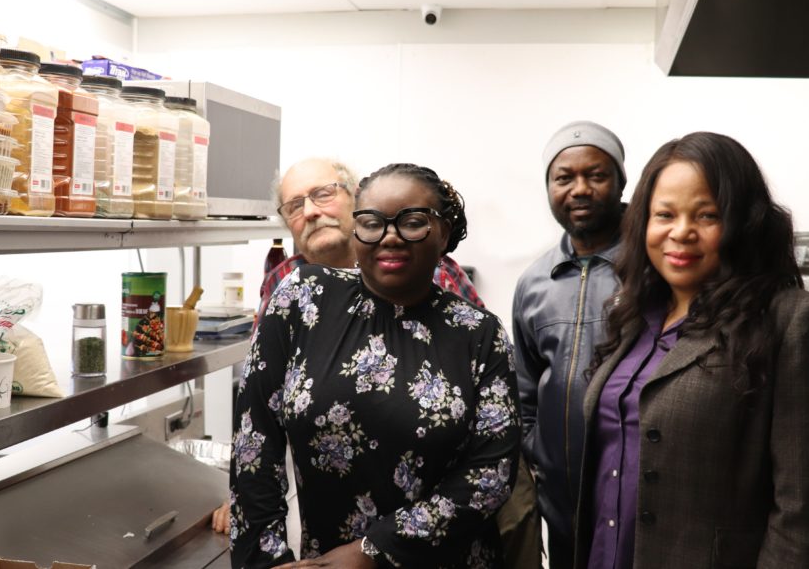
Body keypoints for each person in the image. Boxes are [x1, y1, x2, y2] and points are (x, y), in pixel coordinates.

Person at [575, 132, 809, 569]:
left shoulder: (793, 322)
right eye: (665, 214)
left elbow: (804, 514)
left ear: (745, 223)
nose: (681, 232)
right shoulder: (630, 316)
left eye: (707, 215)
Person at [229, 163, 521, 568]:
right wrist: (266, 559)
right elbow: (254, 441)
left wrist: (373, 551)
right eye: (371, 223)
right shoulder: (300, 298)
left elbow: (491, 474)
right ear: (355, 229)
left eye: (413, 222)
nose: (390, 237)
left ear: (444, 234)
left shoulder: (479, 334)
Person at [511, 121, 626, 569]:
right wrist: (539, 453)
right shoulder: (535, 282)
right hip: (561, 498)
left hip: (636, 489)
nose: (580, 189)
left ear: (620, 182)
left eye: (596, 175)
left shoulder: (652, 268)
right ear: (548, 188)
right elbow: (522, 392)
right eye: (564, 178)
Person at [261, 157, 483, 310]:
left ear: (356, 198)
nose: (310, 212)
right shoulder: (282, 281)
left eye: (323, 194)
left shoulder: (432, 270)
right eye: (295, 206)